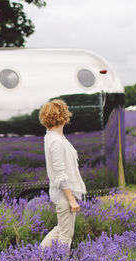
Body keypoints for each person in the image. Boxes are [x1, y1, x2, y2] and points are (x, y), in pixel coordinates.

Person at [38, 99, 86, 249]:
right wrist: (71, 199)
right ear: (63, 116)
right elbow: (59, 173)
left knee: (60, 228)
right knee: (66, 234)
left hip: (62, 192)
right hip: (64, 193)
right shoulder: (56, 141)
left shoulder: (53, 137)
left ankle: (37, 256)